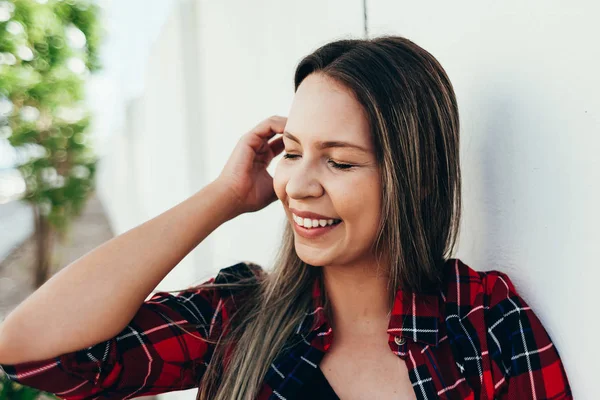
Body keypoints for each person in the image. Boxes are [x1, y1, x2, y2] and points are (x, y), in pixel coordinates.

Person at [0, 35, 572, 400]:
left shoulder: (485, 327)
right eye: (292, 151)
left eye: (339, 161)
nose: (297, 186)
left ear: (413, 178)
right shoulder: (238, 316)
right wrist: (223, 196)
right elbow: (32, 350)